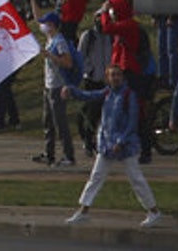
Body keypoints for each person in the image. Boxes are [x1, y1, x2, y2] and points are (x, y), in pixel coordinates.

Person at [63, 64, 165, 227]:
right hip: (106, 144)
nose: (115, 78)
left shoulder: (129, 96)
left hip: (125, 146)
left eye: (117, 75)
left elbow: (132, 122)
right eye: (112, 75)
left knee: (136, 178)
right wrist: (71, 90)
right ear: (107, 78)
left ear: (122, 77)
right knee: (96, 177)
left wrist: (121, 141)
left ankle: (154, 211)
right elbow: (89, 95)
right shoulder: (107, 92)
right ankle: (83, 210)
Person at [33, 11, 78, 168]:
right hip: (48, 86)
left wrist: (50, 56)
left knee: (60, 123)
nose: (43, 26)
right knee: (48, 122)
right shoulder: (50, 38)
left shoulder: (59, 41)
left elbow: (68, 63)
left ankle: (69, 155)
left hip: (57, 87)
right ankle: (49, 153)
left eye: (46, 24)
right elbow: (36, 16)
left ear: (52, 25)